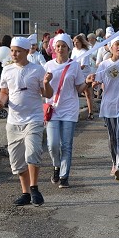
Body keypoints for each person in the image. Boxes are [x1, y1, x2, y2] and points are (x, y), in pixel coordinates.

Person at [0, 36, 53, 206]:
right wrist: (0, 102)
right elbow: (4, 92)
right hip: (13, 121)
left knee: (32, 153)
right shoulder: (7, 70)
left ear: (27, 52)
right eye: (12, 50)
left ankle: (34, 189)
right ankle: (25, 193)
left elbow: (48, 94)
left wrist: (47, 83)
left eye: (18, 51)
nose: (14, 54)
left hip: (33, 118)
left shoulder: (37, 70)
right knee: (17, 160)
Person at [90, 34, 119, 180]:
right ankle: (113, 162)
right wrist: (94, 83)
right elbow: (95, 83)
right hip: (109, 104)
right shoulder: (104, 65)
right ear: (111, 47)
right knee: (112, 137)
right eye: (117, 45)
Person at [45, 33, 88, 188]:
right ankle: (56, 165)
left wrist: (88, 83)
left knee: (67, 145)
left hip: (69, 108)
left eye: (64, 46)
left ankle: (64, 176)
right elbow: (43, 88)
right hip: (53, 109)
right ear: (54, 48)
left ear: (68, 48)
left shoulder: (74, 65)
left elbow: (79, 88)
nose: (61, 49)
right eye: (58, 46)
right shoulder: (48, 65)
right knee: (52, 144)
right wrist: (45, 82)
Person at [71, 34, 95, 119]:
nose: (75, 44)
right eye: (74, 42)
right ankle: (75, 113)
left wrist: (74, 69)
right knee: (75, 94)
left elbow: (83, 66)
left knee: (88, 94)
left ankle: (90, 112)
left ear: (81, 43)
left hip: (85, 74)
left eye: (77, 42)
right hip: (76, 74)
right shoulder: (74, 50)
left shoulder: (84, 52)